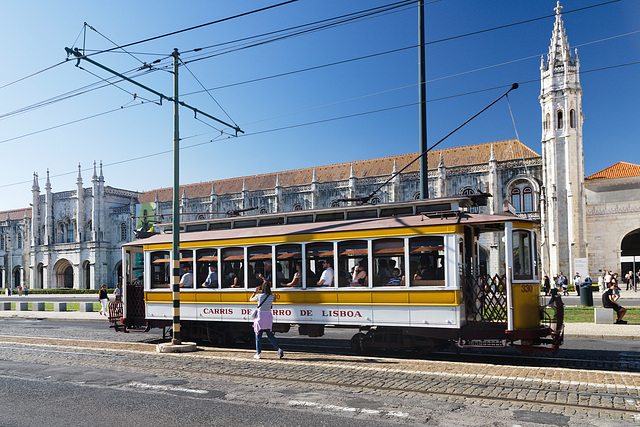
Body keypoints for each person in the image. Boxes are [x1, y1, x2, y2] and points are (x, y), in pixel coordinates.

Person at [249, 283, 284, 359]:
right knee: (270, 335)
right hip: (268, 317)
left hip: (260, 318)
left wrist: (255, 292)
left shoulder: (259, 296)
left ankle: (258, 353)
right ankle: (278, 349)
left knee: (258, 336)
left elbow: (250, 299)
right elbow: (274, 300)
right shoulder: (271, 297)